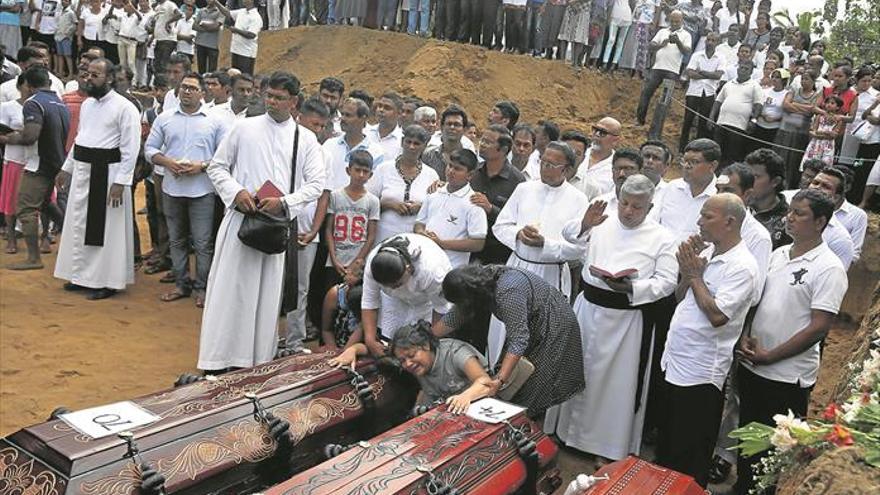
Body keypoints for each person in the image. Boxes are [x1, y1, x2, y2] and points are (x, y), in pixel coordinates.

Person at [197, 71, 326, 372]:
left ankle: (253, 362)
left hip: (273, 228)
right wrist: (236, 191)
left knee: (264, 297)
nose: (272, 102)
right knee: (229, 290)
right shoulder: (243, 128)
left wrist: (283, 202)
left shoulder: (305, 139)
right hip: (240, 221)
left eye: (280, 98)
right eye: (269, 95)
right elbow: (217, 167)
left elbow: (316, 185)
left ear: (294, 102)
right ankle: (218, 359)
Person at [545, 174, 677, 461]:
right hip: (588, 309)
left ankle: (604, 447)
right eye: (625, 204)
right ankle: (566, 432)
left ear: (650, 207)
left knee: (615, 385)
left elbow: (667, 282)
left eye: (637, 207)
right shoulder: (601, 219)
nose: (628, 211)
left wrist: (633, 287)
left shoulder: (663, 238)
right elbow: (569, 234)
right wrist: (584, 224)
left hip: (626, 322)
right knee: (576, 369)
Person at [735, 189, 848, 495]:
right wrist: (746, 336)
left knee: (772, 450)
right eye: (791, 211)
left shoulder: (829, 267)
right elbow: (757, 302)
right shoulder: (778, 253)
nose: (790, 218)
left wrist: (771, 356)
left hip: (786, 375)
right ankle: (741, 488)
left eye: (800, 214)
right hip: (754, 364)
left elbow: (818, 327)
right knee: (747, 440)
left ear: (820, 221)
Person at [658, 193, 760, 488]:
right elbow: (681, 299)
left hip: (701, 372)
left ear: (729, 222)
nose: (699, 222)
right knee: (668, 443)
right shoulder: (709, 255)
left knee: (689, 452)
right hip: (676, 360)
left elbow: (718, 317)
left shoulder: (742, 265)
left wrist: (695, 276)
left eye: (707, 216)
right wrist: (688, 273)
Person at [435, 263, 585, 417]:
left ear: (470, 296)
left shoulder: (507, 290)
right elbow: (456, 316)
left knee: (531, 393)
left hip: (554, 329)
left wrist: (499, 380)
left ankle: (531, 433)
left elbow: (519, 340)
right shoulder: (478, 282)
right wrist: (430, 338)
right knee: (514, 389)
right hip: (530, 328)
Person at [53, 58, 140, 300]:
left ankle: (107, 281)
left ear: (109, 78)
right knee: (79, 225)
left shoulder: (125, 108)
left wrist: (121, 182)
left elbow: (131, 148)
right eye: (87, 74)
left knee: (106, 230)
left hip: (108, 174)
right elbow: (81, 139)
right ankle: (81, 276)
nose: (88, 79)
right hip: (83, 171)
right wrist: (66, 168)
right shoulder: (88, 105)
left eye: (95, 75)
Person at [144, 72, 226, 307]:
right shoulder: (165, 118)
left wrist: (201, 167)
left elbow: (224, 157)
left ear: (202, 92)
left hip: (202, 191)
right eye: (183, 87)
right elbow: (150, 149)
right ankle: (181, 283)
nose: (187, 91)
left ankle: (202, 288)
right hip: (172, 189)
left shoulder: (215, 121)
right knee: (176, 240)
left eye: (192, 88)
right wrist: (167, 162)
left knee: (202, 243)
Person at [493, 141, 588, 298]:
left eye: (550, 165)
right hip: (517, 266)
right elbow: (500, 226)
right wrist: (518, 234)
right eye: (542, 162)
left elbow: (579, 249)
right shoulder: (524, 189)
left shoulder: (579, 200)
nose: (543, 168)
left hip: (550, 273)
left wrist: (545, 244)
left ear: (567, 169)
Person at [334, 320, 493, 413]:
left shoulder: (456, 353)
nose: (408, 364)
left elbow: (486, 383)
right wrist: (353, 350)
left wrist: (466, 397)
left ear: (427, 345)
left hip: (481, 407)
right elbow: (374, 349)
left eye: (411, 356)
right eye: (402, 360)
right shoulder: (404, 354)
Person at [3, 65, 68, 270]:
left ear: (29, 87)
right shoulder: (59, 103)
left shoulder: (33, 103)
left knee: (26, 208)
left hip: (39, 164)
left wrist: (10, 138)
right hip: (57, 163)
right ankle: (72, 236)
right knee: (47, 204)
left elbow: (30, 136)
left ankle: (33, 258)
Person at [360, 233, 453, 357]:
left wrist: (431, 342)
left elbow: (440, 309)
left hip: (427, 302)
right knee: (389, 343)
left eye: (397, 284)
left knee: (421, 348)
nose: (392, 288)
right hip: (393, 301)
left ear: (408, 269)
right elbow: (369, 301)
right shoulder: (373, 264)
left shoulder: (432, 270)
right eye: (387, 286)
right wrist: (370, 339)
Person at [415, 148, 487, 268]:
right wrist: (423, 234)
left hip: (451, 267)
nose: (451, 171)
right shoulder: (434, 192)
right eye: (450, 166)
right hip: (424, 262)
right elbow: (419, 223)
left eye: (458, 169)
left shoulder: (474, 203)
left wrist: (441, 243)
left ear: (470, 175)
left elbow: (477, 243)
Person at [368, 124, 438, 242]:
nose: (411, 147)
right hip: (382, 236)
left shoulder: (431, 175)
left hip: (415, 240)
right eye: (408, 142)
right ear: (402, 142)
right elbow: (367, 204)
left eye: (416, 144)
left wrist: (420, 207)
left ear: (424, 146)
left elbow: (436, 210)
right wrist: (390, 205)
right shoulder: (383, 169)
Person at [471, 124, 525, 266]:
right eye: (482, 140)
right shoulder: (473, 172)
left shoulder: (518, 181)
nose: (482, 145)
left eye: (488, 142)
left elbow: (519, 221)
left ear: (503, 150)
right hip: (470, 247)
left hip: (498, 254)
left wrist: (490, 208)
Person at [325, 148, 379, 288]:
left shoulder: (372, 201)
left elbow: (371, 236)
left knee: (353, 298)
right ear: (348, 170)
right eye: (357, 170)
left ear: (370, 175)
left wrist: (358, 261)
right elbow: (329, 230)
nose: (361, 175)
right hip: (335, 259)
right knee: (331, 295)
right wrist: (333, 258)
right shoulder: (335, 196)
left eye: (365, 172)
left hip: (358, 262)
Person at [636, 10, 691, 126]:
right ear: (669, 20)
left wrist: (678, 42)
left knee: (665, 99)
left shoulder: (686, 35)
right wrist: (662, 44)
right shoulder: (662, 31)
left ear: (682, 21)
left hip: (672, 71)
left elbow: (687, 52)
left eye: (677, 21)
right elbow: (651, 46)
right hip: (657, 68)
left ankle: (658, 125)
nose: (674, 24)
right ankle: (639, 120)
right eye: (672, 21)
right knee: (646, 93)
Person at [710, 59, 763, 166]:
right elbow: (718, 102)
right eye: (741, 67)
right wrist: (711, 117)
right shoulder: (729, 84)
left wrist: (753, 120)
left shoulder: (755, 86)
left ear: (751, 72)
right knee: (716, 152)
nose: (743, 70)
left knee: (732, 155)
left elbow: (759, 105)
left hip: (739, 126)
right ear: (737, 68)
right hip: (722, 122)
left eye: (746, 69)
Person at [680, 31, 724, 153]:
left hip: (709, 93)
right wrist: (709, 74)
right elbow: (690, 73)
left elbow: (718, 75)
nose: (710, 42)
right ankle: (682, 148)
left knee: (702, 123)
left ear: (718, 43)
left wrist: (701, 72)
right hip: (694, 92)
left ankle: (698, 150)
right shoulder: (697, 55)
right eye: (708, 40)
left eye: (713, 40)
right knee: (688, 120)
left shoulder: (721, 57)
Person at [0, 75, 29, 255]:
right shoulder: (7, 107)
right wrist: (23, 136)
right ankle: (11, 238)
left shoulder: (38, 105)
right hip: (14, 159)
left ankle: (45, 237)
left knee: (44, 201)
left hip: (35, 160)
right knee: (10, 201)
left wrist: (19, 136)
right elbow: (1, 136)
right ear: (19, 87)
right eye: (27, 85)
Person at [776, 70, 820, 188]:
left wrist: (794, 105)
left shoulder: (817, 95)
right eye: (802, 79)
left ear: (813, 81)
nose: (803, 81)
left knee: (793, 159)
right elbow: (785, 105)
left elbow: (812, 110)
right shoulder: (794, 90)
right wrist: (804, 108)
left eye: (807, 79)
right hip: (785, 128)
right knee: (781, 155)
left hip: (801, 131)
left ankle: (788, 185)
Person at [746, 148, 791, 248]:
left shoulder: (788, 222)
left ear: (775, 181)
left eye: (756, 177)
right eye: (747, 175)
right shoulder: (738, 206)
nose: (748, 181)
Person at [422, 104, 472, 180]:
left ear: (464, 129)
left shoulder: (470, 159)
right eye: (449, 124)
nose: (452, 127)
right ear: (441, 127)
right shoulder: (428, 155)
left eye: (457, 125)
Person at [212, 0, 262, 76]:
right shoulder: (241, 11)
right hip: (236, 50)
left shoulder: (256, 17)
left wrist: (236, 30)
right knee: (235, 77)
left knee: (244, 77)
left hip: (246, 53)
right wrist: (216, 2)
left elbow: (251, 35)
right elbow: (227, 13)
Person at [802, 95, 844, 168]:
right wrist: (826, 133)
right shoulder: (819, 116)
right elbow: (814, 131)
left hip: (828, 145)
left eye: (832, 103)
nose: (829, 105)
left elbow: (834, 135)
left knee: (824, 164)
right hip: (816, 143)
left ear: (838, 107)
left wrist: (820, 133)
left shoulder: (838, 120)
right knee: (811, 162)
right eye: (827, 102)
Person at [366, 92, 404, 162]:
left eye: (387, 108)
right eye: (379, 106)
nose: (381, 110)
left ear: (399, 113)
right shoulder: (365, 133)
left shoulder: (402, 141)